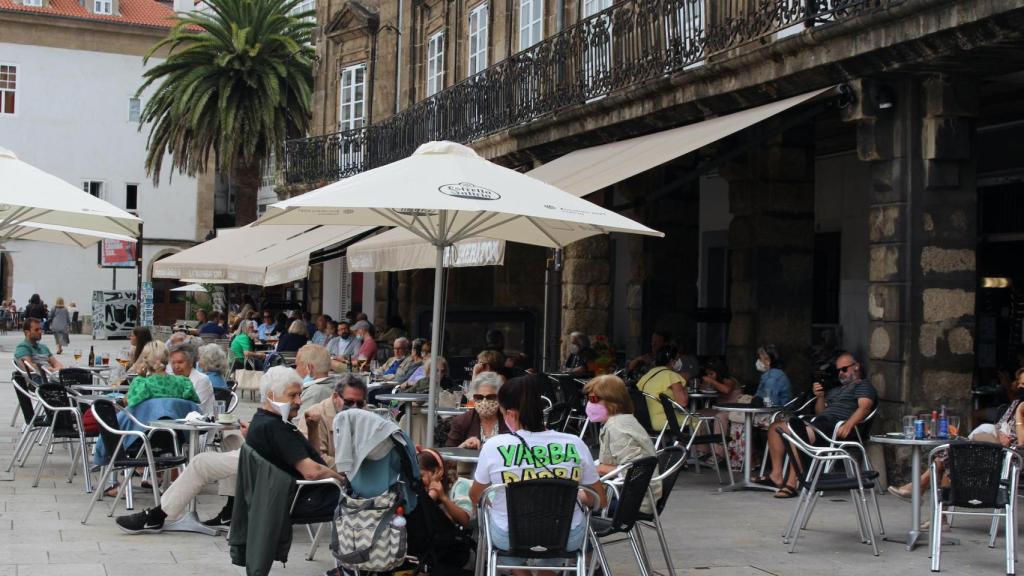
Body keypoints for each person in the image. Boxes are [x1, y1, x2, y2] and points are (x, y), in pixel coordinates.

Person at [115, 366, 346, 534]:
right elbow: (311, 461)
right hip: (274, 471)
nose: (298, 400)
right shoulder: (274, 423)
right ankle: (230, 510)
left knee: (201, 462)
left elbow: (313, 469)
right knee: (231, 438)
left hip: (285, 485)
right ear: (272, 396)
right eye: (293, 395)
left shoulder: (275, 424)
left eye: (299, 395)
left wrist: (341, 480)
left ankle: (158, 516)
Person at [470, 375, 605, 570]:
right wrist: (580, 496)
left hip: (510, 537)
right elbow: (600, 499)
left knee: (497, 520)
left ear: (509, 414)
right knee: (558, 529)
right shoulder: (575, 443)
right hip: (567, 535)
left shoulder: (494, 446)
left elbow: (475, 496)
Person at [760, 352, 877, 498]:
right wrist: (820, 397)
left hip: (836, 427)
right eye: (838, 370)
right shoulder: (835, 391)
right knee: (775, 428)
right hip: (820, 423)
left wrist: (848, 425)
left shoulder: (863, 385)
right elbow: (820, 412)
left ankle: (792, 483)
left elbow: (864, 407)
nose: (841, 373)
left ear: (856, 367)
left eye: (844, 369)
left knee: (796, 432)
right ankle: (776, 475)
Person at [584, 374, 662, 513]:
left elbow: (633, 471)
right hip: (628, 494)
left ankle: (582, 535)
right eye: (588, 399)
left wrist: (597, 469)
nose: (589, 404)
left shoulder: (617, 427)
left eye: (594, 399)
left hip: (633, 501)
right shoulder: (619, 421)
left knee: (569, 500)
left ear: (612, 401)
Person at [296, 374, 367, 468]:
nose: (354, 407)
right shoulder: (315, 416)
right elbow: (318, 458)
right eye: (349, 402)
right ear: (335, 397)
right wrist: (351, 469)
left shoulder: (365, 413)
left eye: (359, 403)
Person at [124, 342, 200, 408]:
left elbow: (128, 403)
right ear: (167, 359)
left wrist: (141, 376)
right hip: (177, 423)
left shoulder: (142, 384)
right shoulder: (184, 383)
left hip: (146, 424)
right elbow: (194, 404)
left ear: (146, 362)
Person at [446, 371, 509, 449]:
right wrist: (464, 445)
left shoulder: (510, 420)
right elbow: (449, 456)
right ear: (473, 398)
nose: (484, 402)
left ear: (499, 397)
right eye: (479, 397)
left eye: (491, 397)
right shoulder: (461, 421)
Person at [635, 344, 688, 433]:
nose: (680, 361)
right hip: (666, 421)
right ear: (672, 361)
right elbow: (683, 402)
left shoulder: (648, 374)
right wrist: (684, 383)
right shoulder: (671, 375)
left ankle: (679, 445)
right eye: (678, 358)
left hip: (646, 421)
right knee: (698, 420)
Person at [169, 342, 215, 414]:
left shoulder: (201, 380)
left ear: (190, 362)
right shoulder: (170, 378)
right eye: (173, 363)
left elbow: (197, 409)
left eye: (180, 362)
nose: (176, 366)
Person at [296, 343, 340, 410]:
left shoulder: (314, 392)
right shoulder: (335, 385)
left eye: (297, 365)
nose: (296, 370)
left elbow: (298, 420)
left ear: (309, 368)